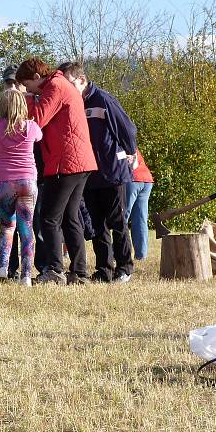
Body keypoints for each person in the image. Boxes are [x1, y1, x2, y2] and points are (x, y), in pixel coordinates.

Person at [15, 58, 97, 285]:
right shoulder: (61, 84)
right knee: (71, 217)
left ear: (34, 77)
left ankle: (54, 270)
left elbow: (36, 121)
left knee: (49, 218)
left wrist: (29, 99)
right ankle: (79, 272)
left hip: (65, 162)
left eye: (26, 84)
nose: (26, 89)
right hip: (79, 161)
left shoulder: (55, 86)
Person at [59, 62, 137, 283]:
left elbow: (127, 128)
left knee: (117, 221)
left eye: (69, 84)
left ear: (81, 80)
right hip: (88, 173)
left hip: (112, 171)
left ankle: (125, 267)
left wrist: (131, 153)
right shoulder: (72, 104)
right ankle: (104, 269)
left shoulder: (103, 99)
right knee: (97, 224)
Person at [0, 87, 43, 286]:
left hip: (4, 181)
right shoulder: (31, 127)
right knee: (26, 229)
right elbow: (39, 137)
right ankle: (26, 276)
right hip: (27, 181)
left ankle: (3, 267)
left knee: (7, 227)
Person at [125, 147, 154, 260]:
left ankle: (118, 252)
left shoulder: (119, 142)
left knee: (122, 218)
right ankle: (141, 255)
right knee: (140, 219)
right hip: (146, 180)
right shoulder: (130, 142)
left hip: (132, 179)